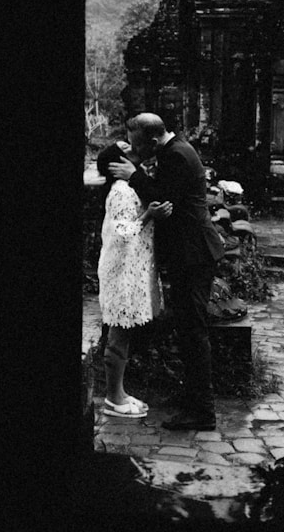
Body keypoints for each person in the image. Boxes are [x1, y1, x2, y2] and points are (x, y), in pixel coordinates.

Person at [107, 113, 224, 431]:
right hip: (191, 254)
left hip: (194, 254)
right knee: (187, 329)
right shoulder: (176, 149)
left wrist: (133, 175)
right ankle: (192, 398)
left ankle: (203, 412)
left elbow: (161, 198)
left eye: (137, 145)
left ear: (153, 140)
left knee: (193, 332)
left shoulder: (176, 156)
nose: (134, 150)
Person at [93, 141, 172, 418]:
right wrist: (149, 215)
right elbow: (122, 233)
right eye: (126, 148)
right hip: (121, 272)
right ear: (117, 164)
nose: (133, 148)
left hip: (132, 270)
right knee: (118, 334)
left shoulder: (130, 187)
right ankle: (113, 398)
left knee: (124, 335)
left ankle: (120, 391)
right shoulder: (121, 191)